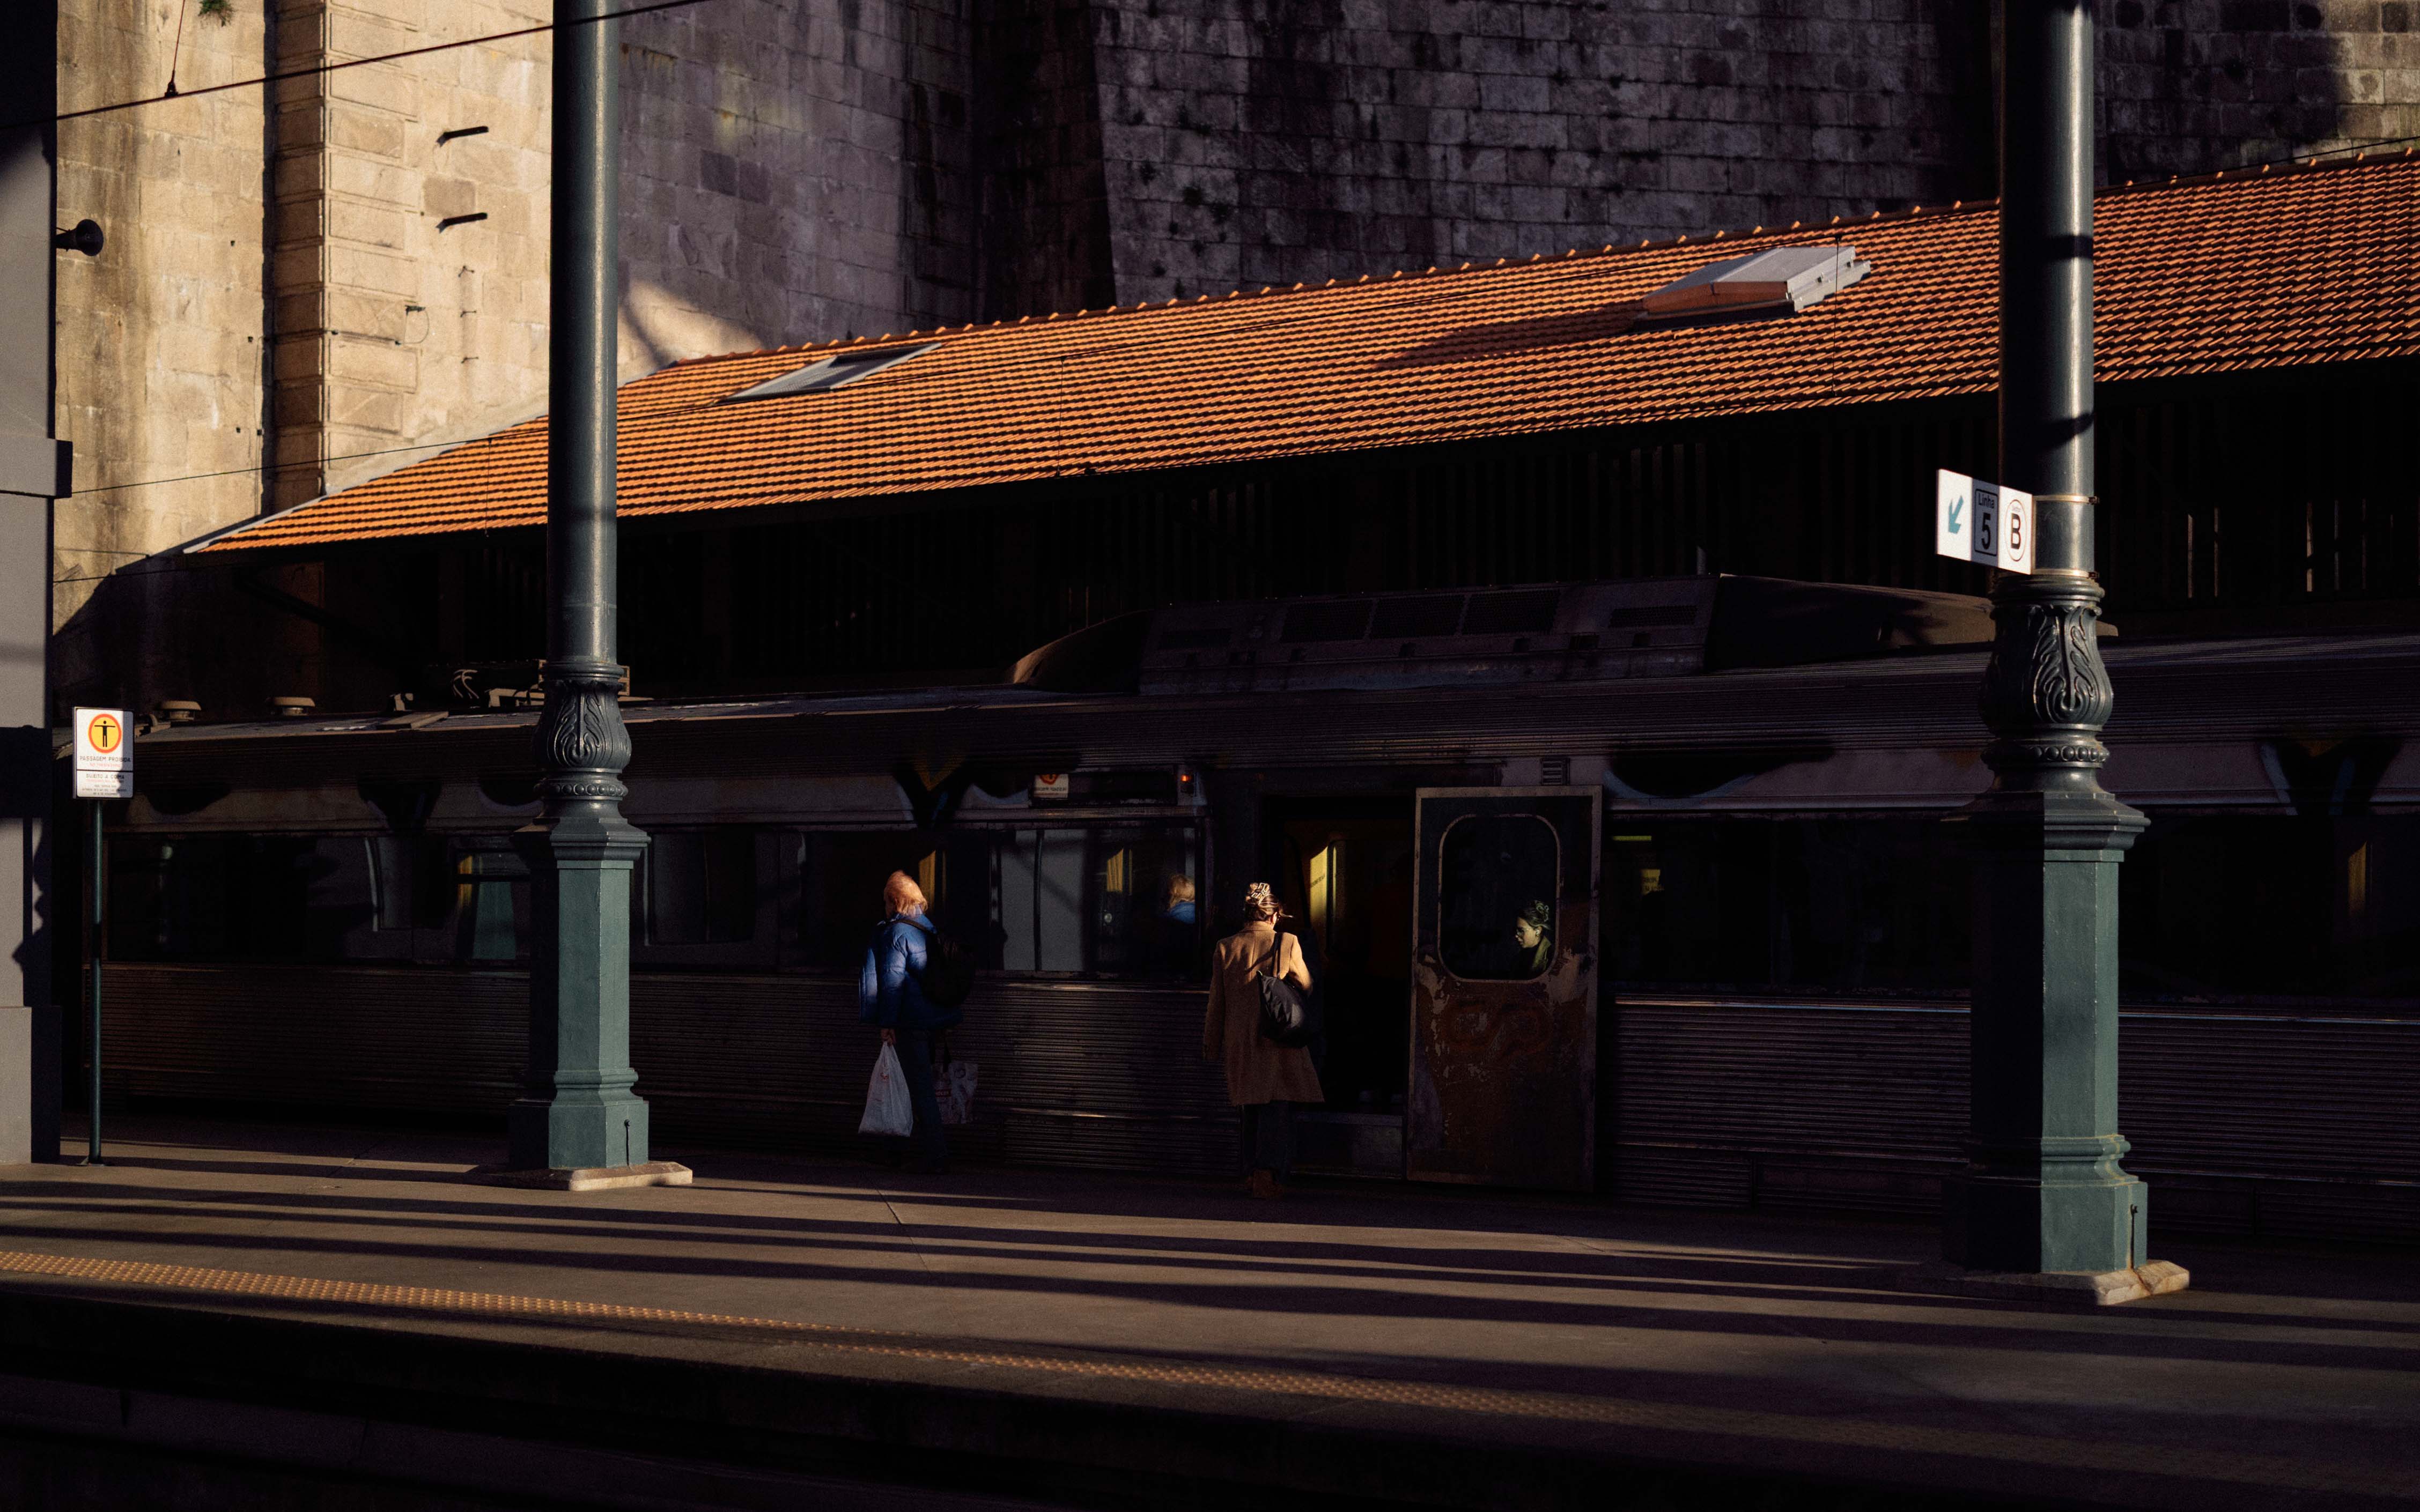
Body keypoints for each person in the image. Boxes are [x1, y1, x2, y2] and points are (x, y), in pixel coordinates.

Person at [1203, 881, 1324, 1198]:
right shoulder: (1287, 942)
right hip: (1276, 1038)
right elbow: (1307, 984)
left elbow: (1217, 1002)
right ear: (1274, 916)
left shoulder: (1225, 947)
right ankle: (1268, 1176)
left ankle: (1251, 1174)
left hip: (1240, 1041)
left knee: (1250, 1109)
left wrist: (1211, 1045)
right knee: (1277, 1108)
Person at [858, 870, 959, 1173]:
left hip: (908, 1023)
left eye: (886, 901)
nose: (884, 907)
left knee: (914, 1089)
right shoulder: (925, 928)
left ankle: (936, 1157)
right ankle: (897, 1151)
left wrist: (887, 1023)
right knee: (908, 1087)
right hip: (929, 1022)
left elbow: (891, 983)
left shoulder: (896, 933)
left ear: (894, 901)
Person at [1511, 899, 1554, 977]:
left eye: (1521, 930)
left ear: (1538, 931)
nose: (1516, 935)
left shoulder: (1552, 957)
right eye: (1516, 930)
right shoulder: (1518, 958)